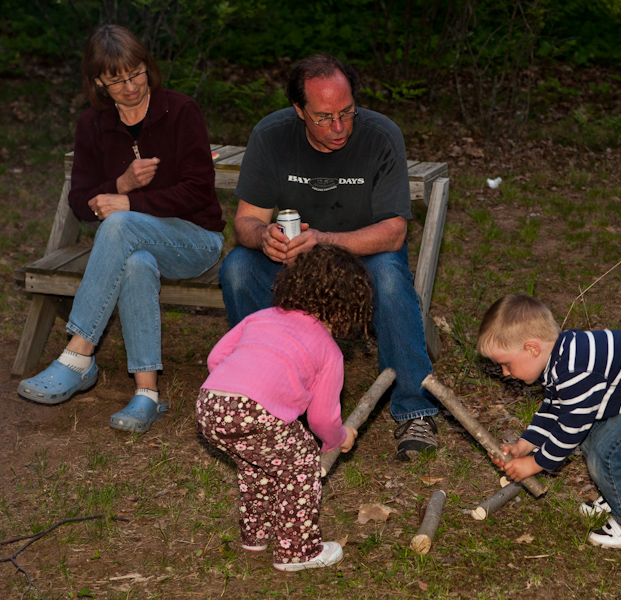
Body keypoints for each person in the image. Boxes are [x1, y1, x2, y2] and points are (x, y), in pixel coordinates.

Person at [218, 54, 438, 461]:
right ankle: (262, 393)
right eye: (323, 117)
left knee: (390, 278)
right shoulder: (271, 135)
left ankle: (414, 408)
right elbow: (245, 222)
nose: (338, 127)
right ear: (299, 110)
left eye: (346, 112)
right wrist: (263, 236)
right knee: (237, 269)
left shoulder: (380, 135)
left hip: (360, 255)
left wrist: (324, 239)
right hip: (292, 260)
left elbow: (394, 232)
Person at [17, 25, 225, 434]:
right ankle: (147, 394)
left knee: (119, 224)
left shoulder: (181, 112)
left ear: (147, 67)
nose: (130, 87)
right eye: (116, 79)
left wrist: (129, 203)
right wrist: (121, 185)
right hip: (137, 242)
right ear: (98, 81)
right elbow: (81, 202)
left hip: (195, 241)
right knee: (136, 262)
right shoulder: (92, 126)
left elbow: (199, 192)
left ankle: (78, 354)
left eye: (137, 73)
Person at [197, 244, 372, 571]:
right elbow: (321, 418)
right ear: (347, 308)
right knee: (302, 460)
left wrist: (239, 384)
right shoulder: (329, 350)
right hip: (255, 411)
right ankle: (298, 552)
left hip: (210, 405)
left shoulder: (260, 317)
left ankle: (255, 534)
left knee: (257, 463)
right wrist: (339, 438)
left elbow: (215, 359)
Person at [478, 294, 621, 549]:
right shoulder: (561, 357)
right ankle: (616, 495)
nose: (505, 373)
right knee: (594, 439)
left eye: (506, 364)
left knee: (606, 451)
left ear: (531, 348)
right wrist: (525, 446)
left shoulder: (574, 371)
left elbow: (570, 427)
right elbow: (554, 409)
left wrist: (535, 463)